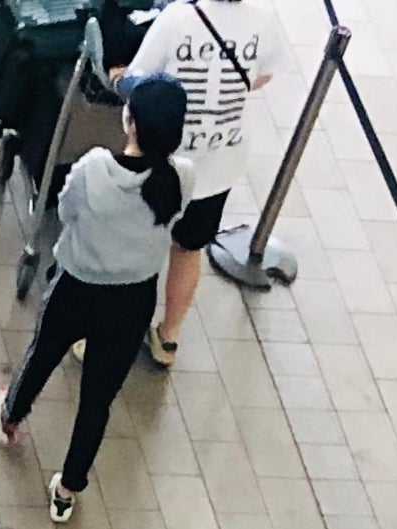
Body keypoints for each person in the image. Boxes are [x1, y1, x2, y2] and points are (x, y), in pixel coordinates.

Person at [0, 72, 188, 523]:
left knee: (42, 356)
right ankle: (68, 488)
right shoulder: (181, 179)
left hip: (76, 288)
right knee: (98, 400)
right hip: (134, 301)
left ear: (129, 121)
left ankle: (12, 415)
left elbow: (67, 211)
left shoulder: (95, 169)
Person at [128, 0, 285, 364]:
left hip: (160, 160)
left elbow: (141, 81)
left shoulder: (178, 18)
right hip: (217, 165)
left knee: (134, 246)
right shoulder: (263, 18)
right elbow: (263, 75)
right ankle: (168, 337)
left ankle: (105, 332)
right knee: (187, 250)